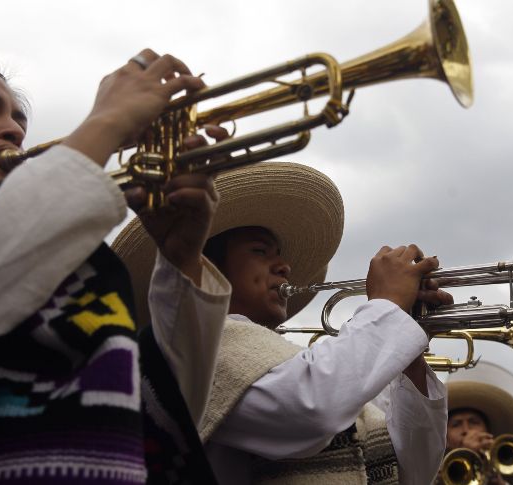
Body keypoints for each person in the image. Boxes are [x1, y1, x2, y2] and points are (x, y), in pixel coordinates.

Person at [0, 49, 232, 483]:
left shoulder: (64, 253)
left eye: (19, 119)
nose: (14, 130)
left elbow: (160, 421)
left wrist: (181, 259)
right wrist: (106, 123)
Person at [113, 161, 454, 484]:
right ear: (207, 267)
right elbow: (309, 409)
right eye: (261, 251)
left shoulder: (298, 363)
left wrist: (408, 357)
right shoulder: (201, 350)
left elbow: (413, 470)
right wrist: (387, 307)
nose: (285, 267)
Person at [441, 380, 513, 485]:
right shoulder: (432, 472)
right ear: (445, 438)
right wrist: (466, 455)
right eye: (456, 424)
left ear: (488, 431)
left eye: (474, 422)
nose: (466, 430)